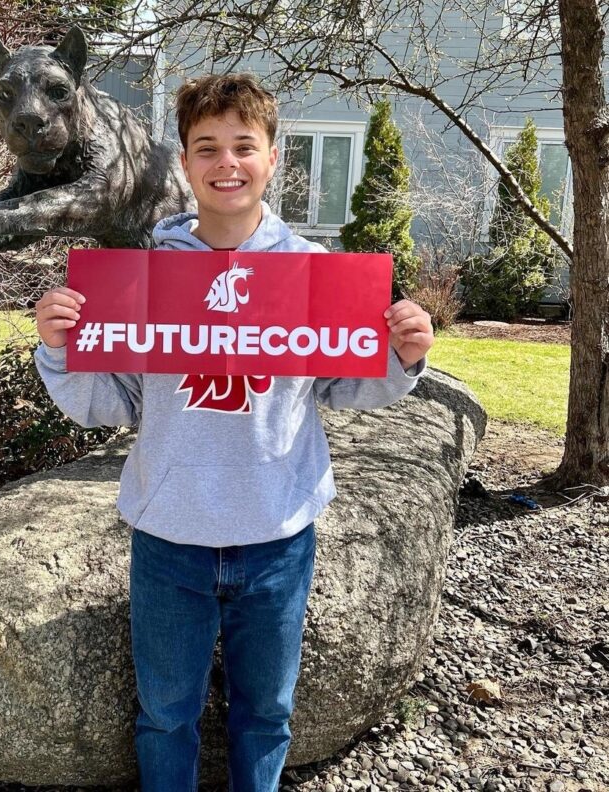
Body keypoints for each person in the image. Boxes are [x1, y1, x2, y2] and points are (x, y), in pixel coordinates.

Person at [34, 74, 434, 792]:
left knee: (267, 715)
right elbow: (111, 402)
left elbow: (346, 388)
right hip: (169, 541)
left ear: (273, 158)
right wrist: (61, 348)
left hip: (278, 537)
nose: (227, 162)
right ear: (185, 163)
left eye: (244, 146)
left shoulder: (315, 274)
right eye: (207, 147)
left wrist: (402, 357)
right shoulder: (143, 275)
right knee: (164, 716)